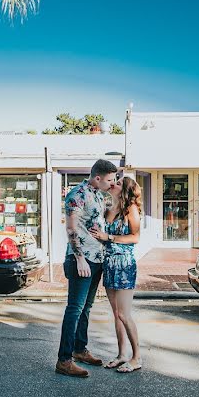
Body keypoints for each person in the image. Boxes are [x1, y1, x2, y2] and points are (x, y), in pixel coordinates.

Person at [56, 159, 118, 378]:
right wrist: (79, 258)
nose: (113, 183)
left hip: (97, 257)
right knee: (75, 308)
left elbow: (104, 220)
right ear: (98, 177)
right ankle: (64, 360)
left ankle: (80, 349)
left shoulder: (100, 195)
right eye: (110, 179)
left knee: (87, 308)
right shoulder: (77, 195)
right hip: (81, 260)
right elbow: (71, 229)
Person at [90, 175, 142, 373]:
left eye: (118, 183)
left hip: (124, 264)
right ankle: (121, 355)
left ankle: (136, 357)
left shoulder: (131, 209)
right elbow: (103, 236)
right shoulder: (109, 209)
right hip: (109, 263)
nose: (113, 184)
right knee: (116, 315)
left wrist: (108, 236)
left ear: (125, 190)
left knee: (124, 314)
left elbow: (135, 237)